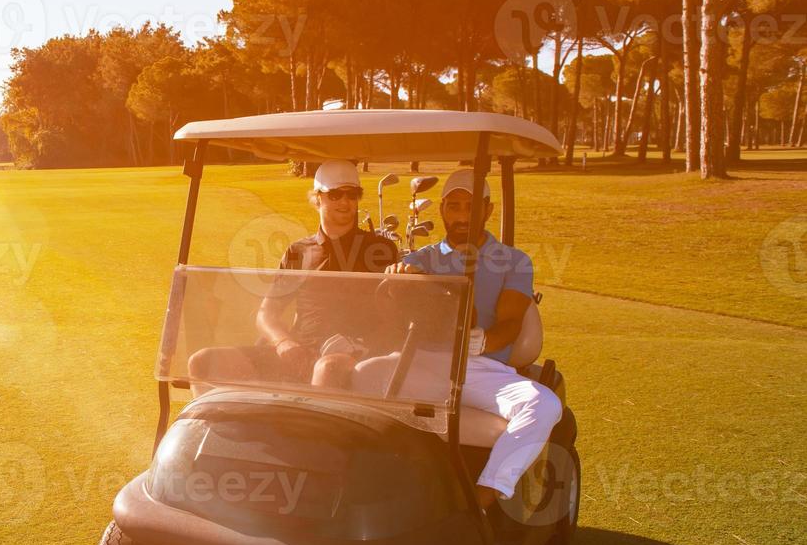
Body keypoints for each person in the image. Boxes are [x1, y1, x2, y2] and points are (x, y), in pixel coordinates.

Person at [384, 168, 562, 509]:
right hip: (425, 364)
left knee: (544, 404)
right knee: (354, 380)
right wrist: (399, 280)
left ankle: (483, 498)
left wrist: (484, 340)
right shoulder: (420, 259)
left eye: (471, 206)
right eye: (454, 206)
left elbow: (511, 322)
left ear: (488, 210)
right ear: (442, 210)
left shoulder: (513, 261)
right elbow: (390, 316)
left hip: (481, 367)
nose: (462, 215)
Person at [188, 159, 398, 391]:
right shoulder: (298, 251)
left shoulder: (379, 250)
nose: (345, 202)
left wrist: (360, 344)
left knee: (326, 369)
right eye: (335, 195)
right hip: (298, 352)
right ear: (318, 198)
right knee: (202, 362)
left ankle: (312, 427)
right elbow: (267, 314)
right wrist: (284, 342)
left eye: (352, 195)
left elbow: (394, 317)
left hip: (351, 354)